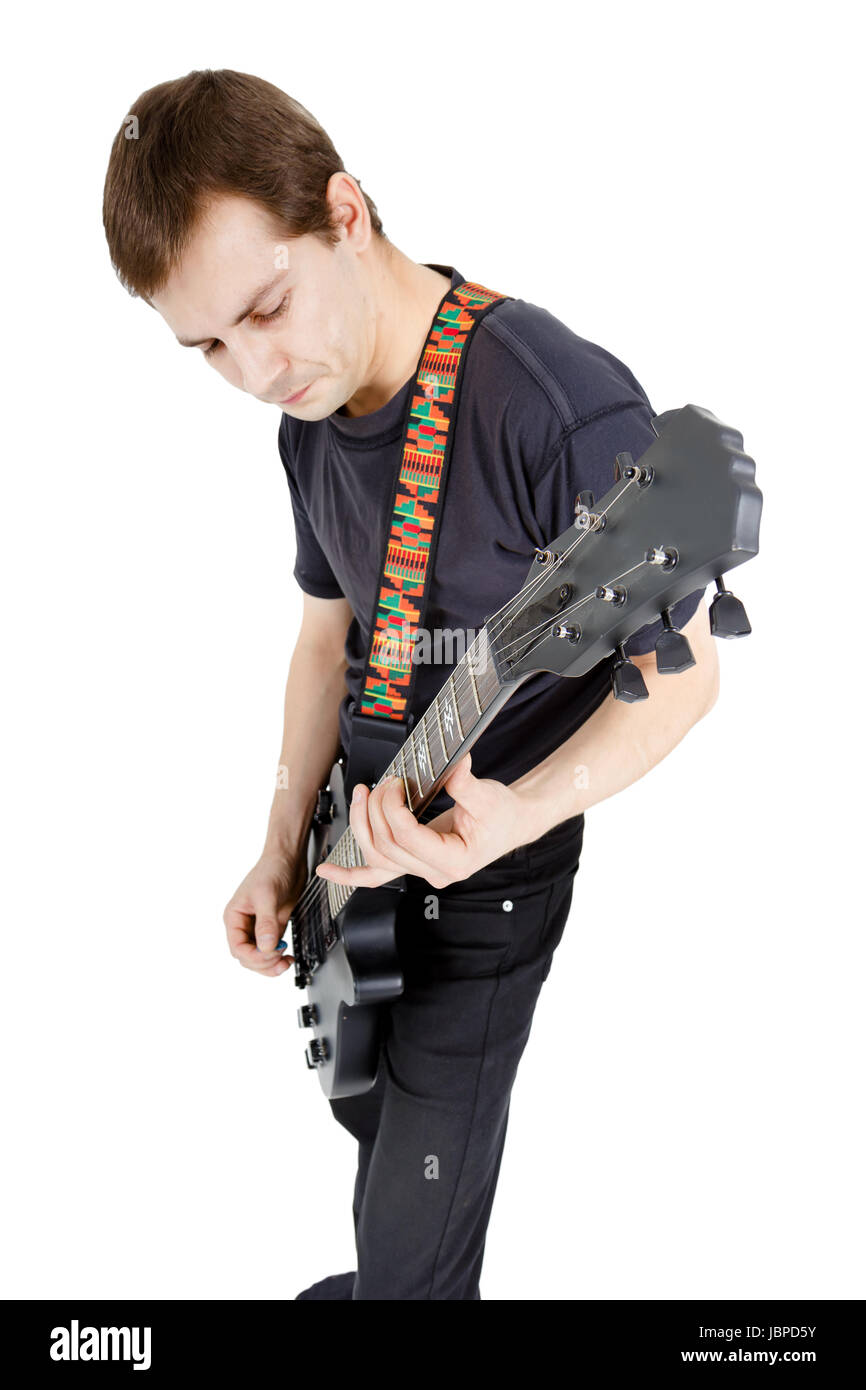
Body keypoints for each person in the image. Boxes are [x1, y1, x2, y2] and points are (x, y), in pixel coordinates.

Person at [102, 69, 718, 1300]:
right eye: (209, 346)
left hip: (487, 888)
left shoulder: (554, 406)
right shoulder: (307, 421)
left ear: (346, 210)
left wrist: (521, 810)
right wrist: (281, 846)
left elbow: (686, 674)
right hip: (356, 861)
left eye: (266, 307)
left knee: (409, 1264)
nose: (256, 369)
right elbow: (326, 643)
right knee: (375, 1138)